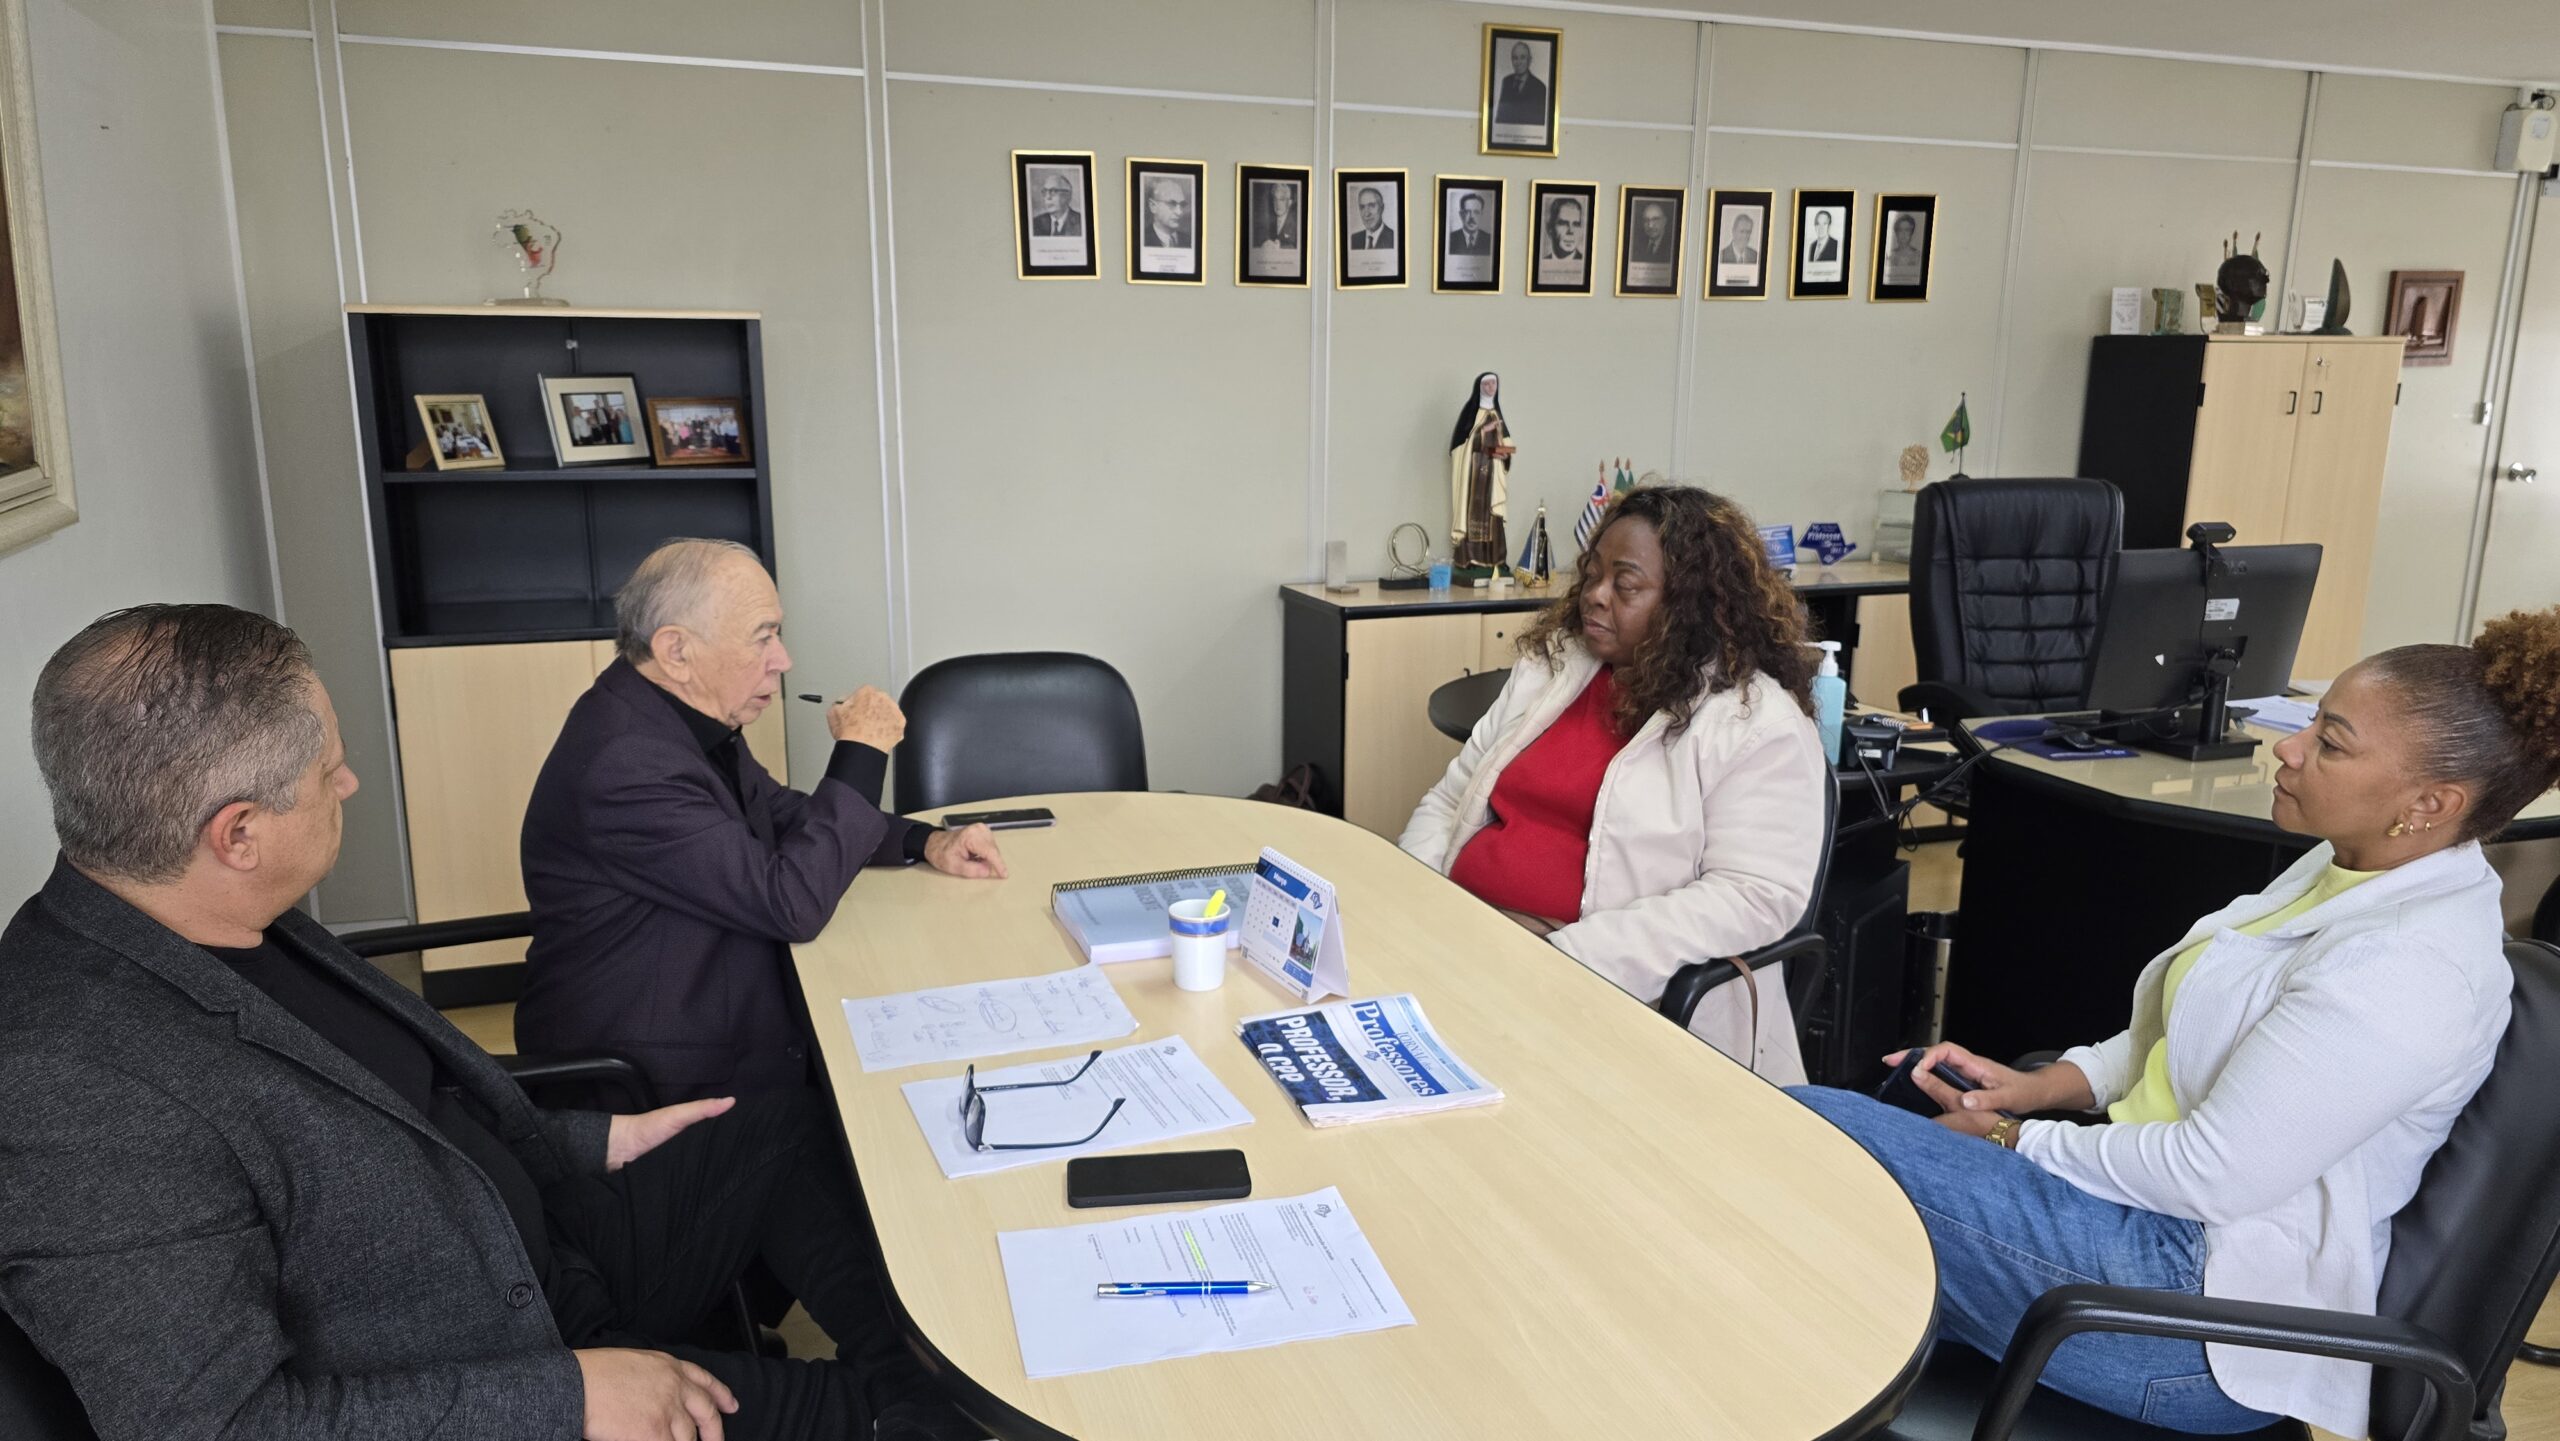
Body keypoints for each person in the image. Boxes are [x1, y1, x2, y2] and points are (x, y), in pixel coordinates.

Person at [0, 603, 979, 1441]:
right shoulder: (74, 1090)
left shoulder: (208, 910)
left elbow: (404, 1104)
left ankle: (912, 1385)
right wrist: (562, 1396)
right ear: (238, 834)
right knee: (892, 1420)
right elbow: (220, 1424)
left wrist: (582, 1140)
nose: (346, 785)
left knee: (790, 1125)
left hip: (535, 1231)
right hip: (503, 1353)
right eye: (328, 771)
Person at [1790, 608, 2560, 1437]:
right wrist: (2043, 1083)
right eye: (2310, 723)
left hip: (2194, 1315)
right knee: (1827, 1194)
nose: (2288, 748)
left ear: (2429, 803)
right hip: (2137, 1230)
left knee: (1811, 1131)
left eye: (2330, 743)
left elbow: (2210, 1173)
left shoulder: (2413, 966)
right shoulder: (2348, 861)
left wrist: (2015, 1137)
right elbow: (2195, 1032)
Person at [516, 538, 1006, 1102]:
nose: (783, 659)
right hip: (656, 1080)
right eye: (763, 636)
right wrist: (862, 753)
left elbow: (775, 811)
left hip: (709, 1005)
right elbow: (790, 903)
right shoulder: (626, 765)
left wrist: (924, 842)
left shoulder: (664, 712)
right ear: (676, 651)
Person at [1401, 485, 1829, 1081]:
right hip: (1466, 936)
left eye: (1626, 586)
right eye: (1593, 574)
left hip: (1591, 976)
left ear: (1691, 603)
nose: (1596, 598)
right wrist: (1418, 897)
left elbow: (1755, 895)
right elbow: (1452, 797)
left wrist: (1567, 960)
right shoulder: (1552, 665)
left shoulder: (1754, 723)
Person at [1443, 371, 1514, 571]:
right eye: (1487, 384)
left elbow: (1507, 445)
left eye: (1494, 384)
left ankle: (1496, 560)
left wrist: (1505, 455)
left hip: (1492, 476)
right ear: (1480, 387)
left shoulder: (1497, 414)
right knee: (1473, 514)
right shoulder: (1471, 413)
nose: (1491, 388)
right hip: (1474, 476)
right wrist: (1483, 431)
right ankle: (1471, 559)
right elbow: (1459, 448)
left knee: (1494, 517)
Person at [1492, 39, 1547, 129]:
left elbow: (1539, 124)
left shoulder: (1540, 87)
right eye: (1515, 58)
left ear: (1529, 60)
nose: (1518, 62)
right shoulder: (1506, 82)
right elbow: (1500, 118)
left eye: (1522, 57)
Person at [1142, 176, 1190, 250]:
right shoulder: (1141, 239)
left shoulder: (1189, 241)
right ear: (1153, 206)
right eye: (1172, 204)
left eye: (1182, 205)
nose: (1179, 212)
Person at [1030, 172, 1081, 237]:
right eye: (1045, 192)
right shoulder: (1035, 223)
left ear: (1068, 196)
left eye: (1053, 191)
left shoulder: (1081, 222)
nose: (1048, 197)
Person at [1254, 181, 1300, 249]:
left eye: (1282, 200)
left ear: (1289, 203)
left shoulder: (1297, 222)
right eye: (1275, 199)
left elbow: (1298, 247)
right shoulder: (1269, 220)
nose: (1277, 204)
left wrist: (1278, 247)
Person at [1881, 213, 1924, 285]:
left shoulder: (1918, 255)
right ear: (1896, 233)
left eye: (1907, 230)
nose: (1903, 234)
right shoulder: (1889, 255)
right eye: (1900, 230)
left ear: (1911, 233)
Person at [1350, 185, 1396, 250]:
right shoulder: (1354, 239)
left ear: (1382, 208)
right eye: (1362, 207)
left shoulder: (1393, 238)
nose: (1366, 213)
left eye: (1371, 205)